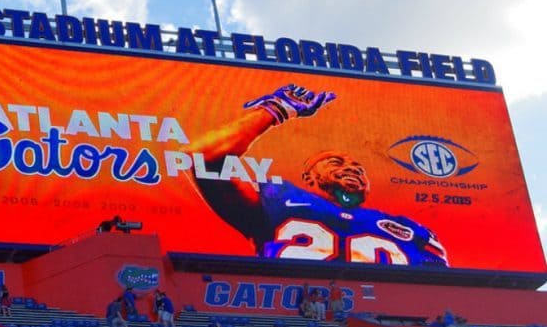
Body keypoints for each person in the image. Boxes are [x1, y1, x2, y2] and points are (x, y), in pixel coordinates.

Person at [186, 84, 448, 267]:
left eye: (359, 167)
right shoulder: (280, 198)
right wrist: (274, 110)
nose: (352, 168)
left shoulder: (410, 229)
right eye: (336, 162)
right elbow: (204, 156)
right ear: (309, 177)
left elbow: (441, 292)